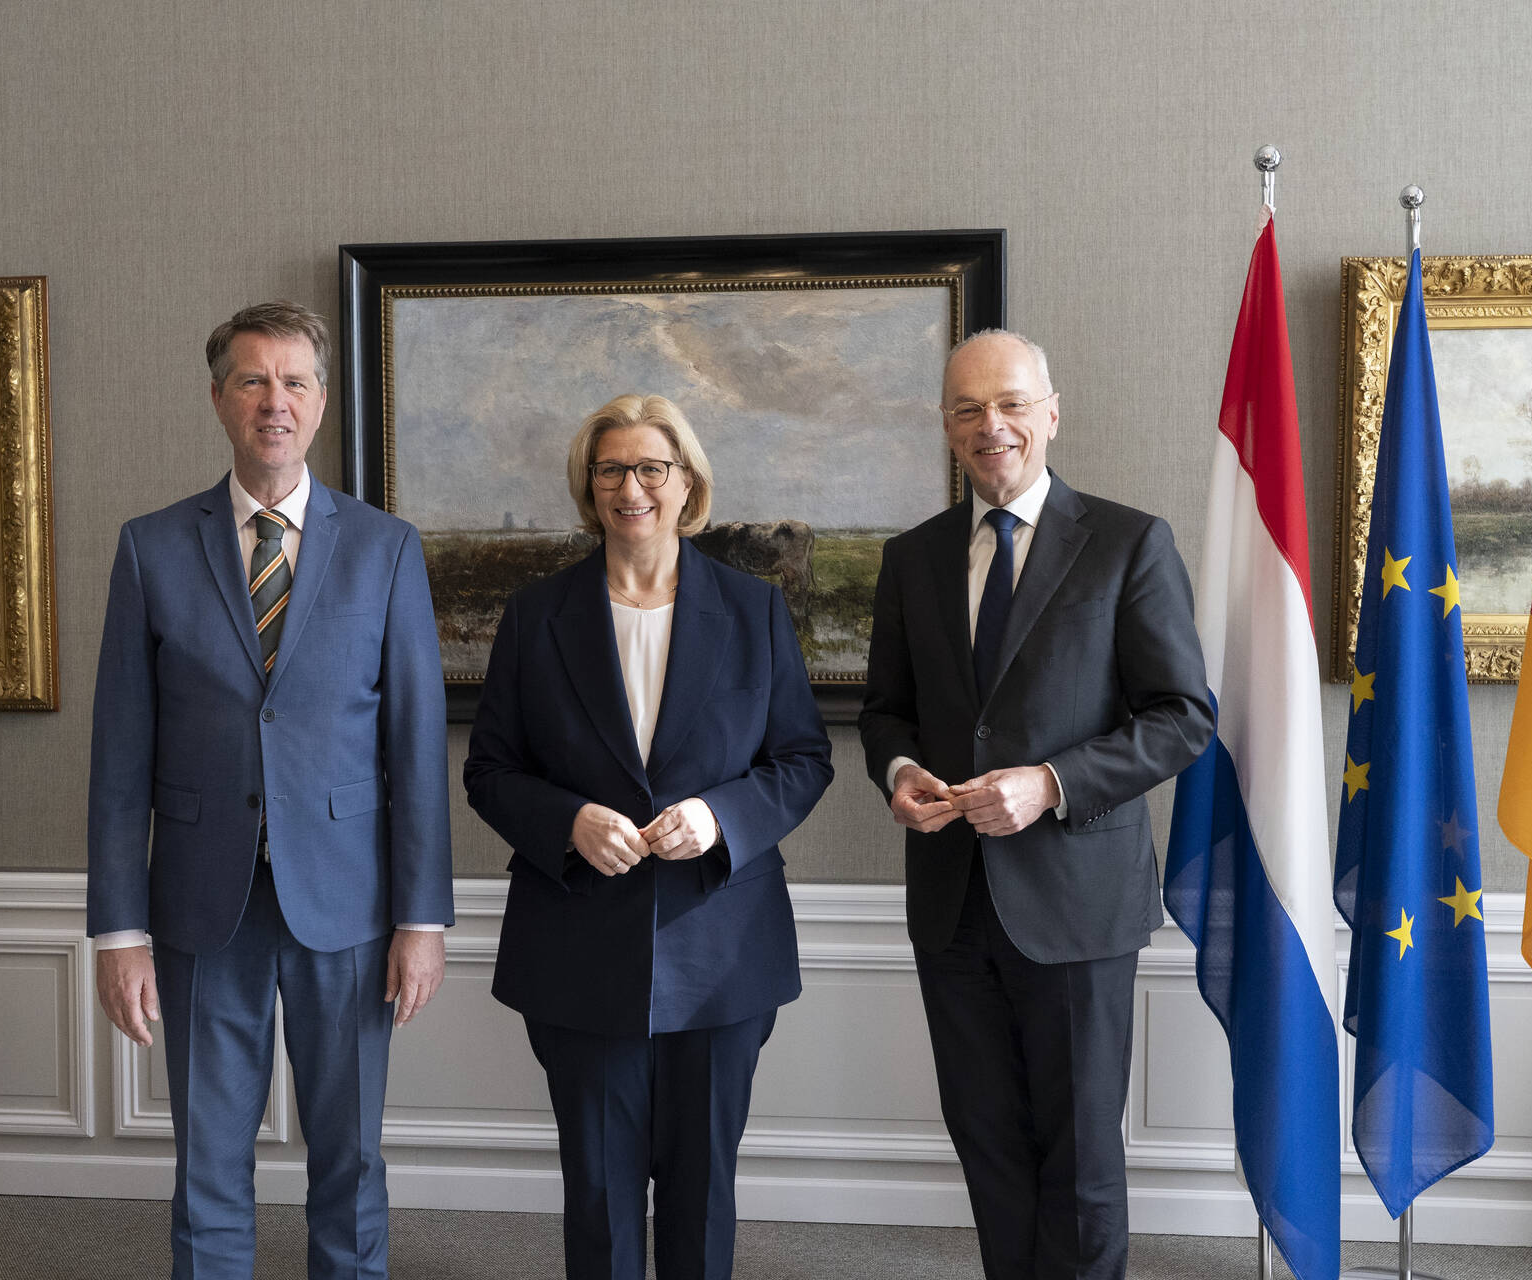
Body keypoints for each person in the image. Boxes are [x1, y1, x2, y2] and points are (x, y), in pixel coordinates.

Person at [87, 301, 452, 1279]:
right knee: (208, 1166)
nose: (273, 401)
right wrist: (118, 932)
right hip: (206, 908)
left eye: (294, 380)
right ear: (218, 400)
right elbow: (119, 755)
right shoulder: (150, 547)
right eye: (252, 380)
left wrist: (424, 917)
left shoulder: (385, 549)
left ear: (322, 402)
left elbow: (416, 744)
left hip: (351, 907)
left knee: (350, 1159)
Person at [858, 330, 1212, 1280]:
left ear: (1051, 413)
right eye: (968, 410)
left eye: (1011, 403)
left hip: (1076, 904)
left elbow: (1183, 718)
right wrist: (899, 775)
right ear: (947, 428)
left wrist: (1049, 785)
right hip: (952, 902)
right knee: (989, 1147)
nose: (992, 426)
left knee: (1082, 1160)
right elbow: (886, 710)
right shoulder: (914, 558)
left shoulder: (1130, 542)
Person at [464, 393, 832, 1280]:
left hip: (722, 951)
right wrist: (569, 822)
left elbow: (802, 759)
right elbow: (491, 771)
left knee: (704, 1195)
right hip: (578, 949)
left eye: (651, 468)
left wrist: (718, 816)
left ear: (687, 482)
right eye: (611, 469)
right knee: (598, 1195)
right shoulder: (535, 615)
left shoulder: (752, 610)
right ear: (589, 488)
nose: (632, 487)